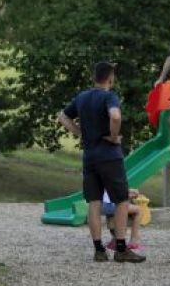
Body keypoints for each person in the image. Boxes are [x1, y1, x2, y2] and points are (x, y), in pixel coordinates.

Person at [57, 61, 146, 263]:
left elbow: (63, 116)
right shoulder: (109, 96)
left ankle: (98, 250)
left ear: (94, 77)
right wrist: (114, 137)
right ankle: (121, 249)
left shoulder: (82, 97)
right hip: (109, 156)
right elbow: (115, 116)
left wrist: (82, 134)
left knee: (94, 202)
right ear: (110, 78)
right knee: (122, 200)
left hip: (90, 156)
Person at [102, 188, 145, 253]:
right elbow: (114, 188)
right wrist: (129, 192)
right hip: (108, 204)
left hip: (97, 204)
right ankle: (133, 242)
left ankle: (115, 240)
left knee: (124, 208)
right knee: (138, 210)